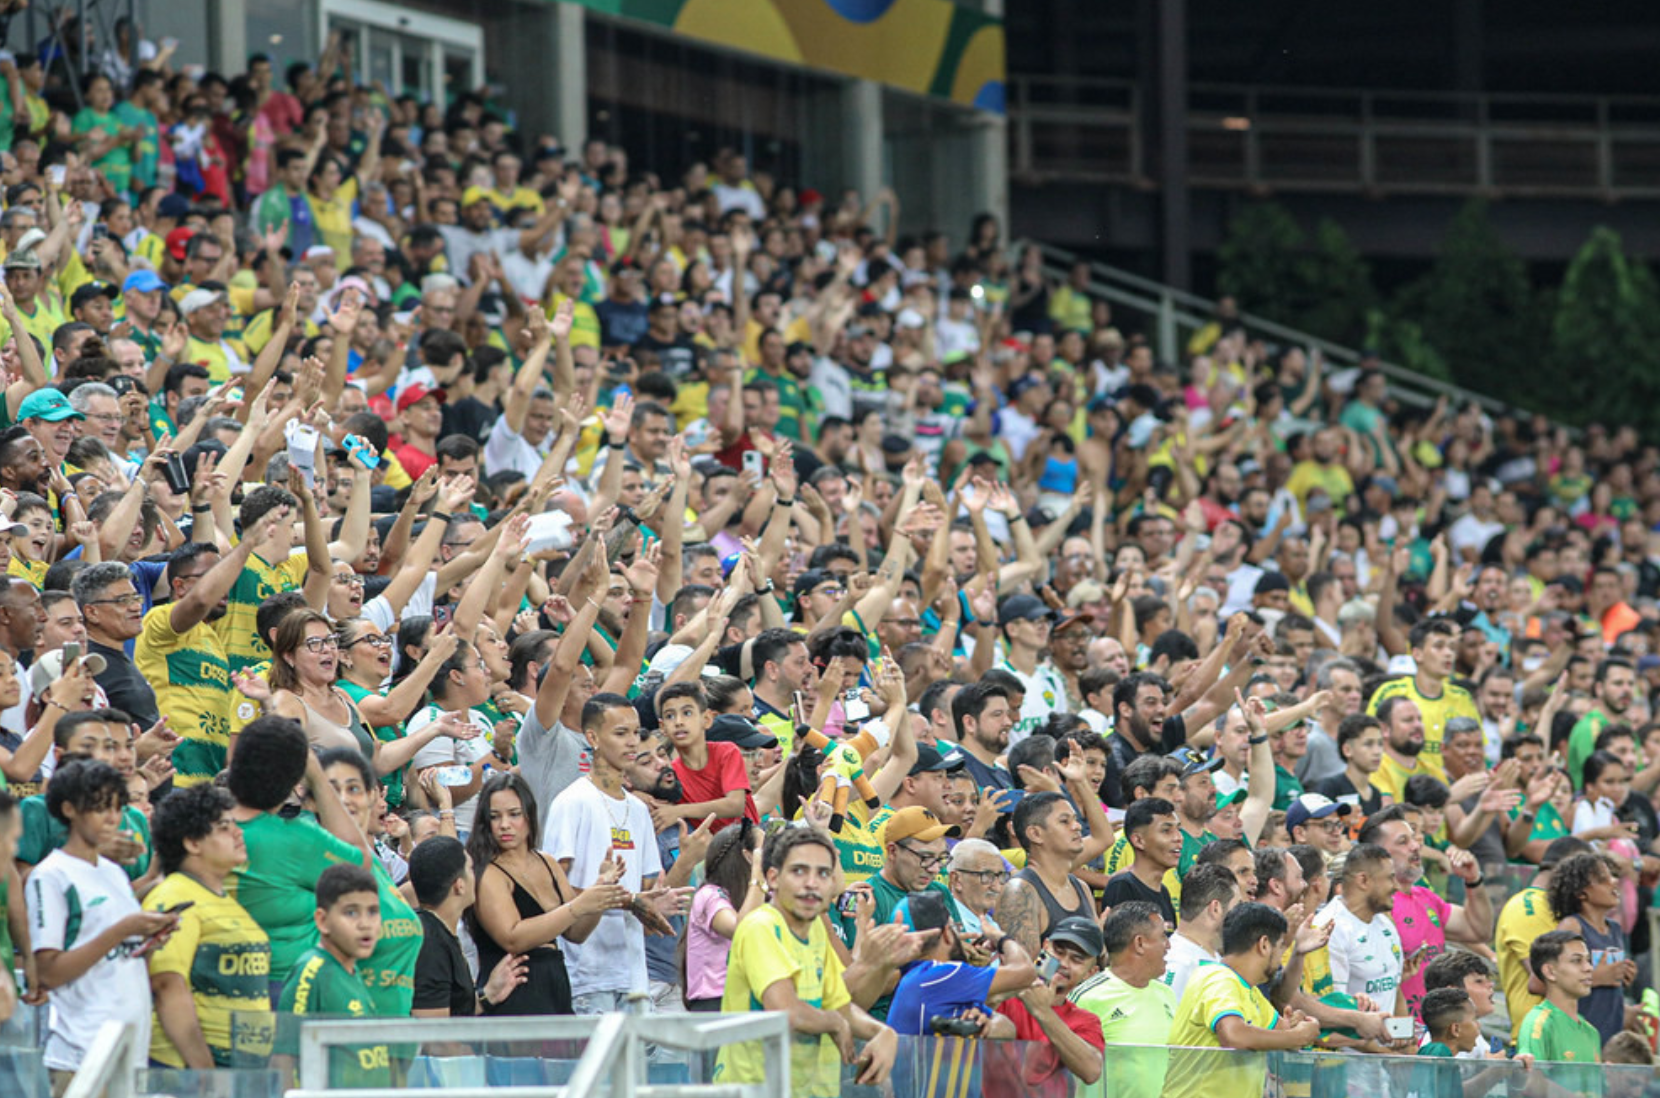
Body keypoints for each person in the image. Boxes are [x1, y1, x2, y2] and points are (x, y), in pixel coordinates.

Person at [712, 826, 898, 1097]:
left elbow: (841, 1006)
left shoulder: (817, 930)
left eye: (823, 873)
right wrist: (835, 1022)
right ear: (773, 878)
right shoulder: (760, 926)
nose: (812, 883)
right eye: (799, 871)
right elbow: (786, 1011)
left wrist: (882, 1033)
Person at [29, 756, 179, 1087]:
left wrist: (150, 940)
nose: (113, 818)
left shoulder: (112, 872)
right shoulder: (51, 876)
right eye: (101, 808)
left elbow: (119, 954)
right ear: (69, 809)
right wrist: (124, 930)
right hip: (83, 1057)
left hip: (130, 1051)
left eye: (117, 807)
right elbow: (49, 972)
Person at [224, 715, 371, 992]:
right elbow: (360, 861)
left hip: (210, 988)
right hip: (284, 990)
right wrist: (317, 776)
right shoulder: (296, 838)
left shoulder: (202, 824)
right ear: (295, 779)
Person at [467, 771, 628, 1015]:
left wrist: (599, 893)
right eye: (495, 817)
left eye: (514, 814)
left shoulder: (547, 862)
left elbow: (576, 932)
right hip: (513, 992)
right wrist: (578, 906)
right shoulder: (488, 871)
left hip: (555, 987)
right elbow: (513, 938)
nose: (504, 825)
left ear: (529, 816)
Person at [142, 783, 272, 1069]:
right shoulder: (175, 896)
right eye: (225, 827)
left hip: (239, 1066)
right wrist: (206, 1075)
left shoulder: (223, 899)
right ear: (192, 842)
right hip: (190, 1073)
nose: (238, 833)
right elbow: (167, 986)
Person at [1164, 902, 1320, 1098]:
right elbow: (1233, 1035)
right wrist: (1297, 1036)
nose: (1281, 959)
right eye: (1280, 947)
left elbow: (1284, 1035)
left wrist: (1297, 1025)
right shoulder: (1216, 978)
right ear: (1264, 945)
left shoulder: (1251, 992)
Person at [1359, 803, 1492, 1017]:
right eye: (1403, 841)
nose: (1416, 845)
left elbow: (1479, 930)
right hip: (1390, 1032)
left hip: (1431, 1030)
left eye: (1414, 837)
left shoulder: (1425, 896)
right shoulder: (1371, 907)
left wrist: (1473, 880)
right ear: (1376, 856)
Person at [277, 863, 393, 1089]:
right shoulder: (312, 972)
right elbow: (285, 1060)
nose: (365, 924)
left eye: (373, 911)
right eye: (351, 912)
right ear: (322, 920)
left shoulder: (351, 971)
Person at [885, 887, 1038, 1035]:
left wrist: (989, 1024)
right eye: (954, 927)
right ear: (946, 933)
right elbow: (1025, 972)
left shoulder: (916, 976)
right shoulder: (938, 973)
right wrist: (1000, 938)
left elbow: (1009, 1029)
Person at [407, 836, 527, 1017]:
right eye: (471, 869)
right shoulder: (430, 943)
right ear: (459, 886)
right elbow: (433, 1033)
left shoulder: (437, 932)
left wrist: (488, 995)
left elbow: (455, 1011)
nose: (477, 877)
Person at [1069, 902, 1176, 1098]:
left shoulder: (1167, 994)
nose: (1168, 945)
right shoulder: (1088, 997)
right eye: (1163, 937)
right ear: (1139, 943)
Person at [990, 916, 1106, 1091]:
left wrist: (1042, 1011)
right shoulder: (1006, 995)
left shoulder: (1086, 1021)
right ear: (1045, 947)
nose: (1064, 963)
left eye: (1077, 959)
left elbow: (1091, 1071)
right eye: (1059, 951)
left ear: (1090, 972)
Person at [1495, 836, 1591, 1039]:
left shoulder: (1562, 910)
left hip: (1569, 1038)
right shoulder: (1528, 907)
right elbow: (1544, 979)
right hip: (1538, 1044)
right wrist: (1606, 976)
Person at [1548, 851, 1635, 1046]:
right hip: (1576, 1042)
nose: (1614, 881)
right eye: (1603, 879)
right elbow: (1538, 982)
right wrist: (1597, 977)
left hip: (1610, 1040)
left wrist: (1624, 975)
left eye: (1612, 876)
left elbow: (1609, 985)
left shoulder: (1615, 929)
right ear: (1581, 893)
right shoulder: (1572, 926)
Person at [1314, 842, 1407, 1015]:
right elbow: (1333, 1008)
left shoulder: (1385, 924)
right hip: (1352, 1041)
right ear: (1363, 880)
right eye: (1390, 878)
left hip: (1386, 1039)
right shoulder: (1330, 929)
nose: (1396, 886)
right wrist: (1370, 1042)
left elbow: (1396, 990)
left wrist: (1404, 1036)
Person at [685, 820, 767, 1011]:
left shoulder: (755, 895)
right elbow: (742, 929)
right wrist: (759, 873)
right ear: (748, 857)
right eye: (764, 850)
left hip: (748, 1000)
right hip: (714, 1004)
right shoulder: (709, 895)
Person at [1516, 930, 1602, 1085]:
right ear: (1550, 971)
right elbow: (1533, 1086)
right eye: (1577, 961)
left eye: (1588, 960)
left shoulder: (1591, 1032)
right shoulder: (1538, 1023)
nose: (1588, 967)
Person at [1160, 862, 1240, 998]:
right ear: (1215, 909)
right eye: (1237, 907)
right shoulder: (1177, 964)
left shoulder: (1214, 956)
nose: (1240, 915)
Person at [1098, 796, 1180, 929]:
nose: (1178, 838)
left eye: (1178, 829)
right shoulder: (1122, 886)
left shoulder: (1163, 891)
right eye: (1166, 831)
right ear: (1138, 841)